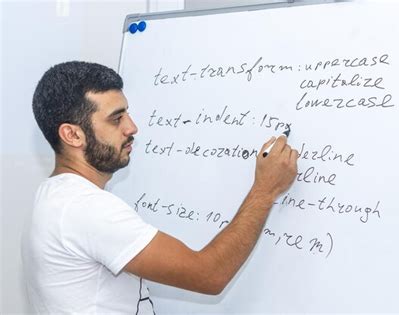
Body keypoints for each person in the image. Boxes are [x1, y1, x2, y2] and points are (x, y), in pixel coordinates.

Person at [22, 61, 298, 314]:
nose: (132, 127)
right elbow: (210, 275)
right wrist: (265, 190)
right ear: (72, 134)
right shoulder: (87, 209)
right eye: (116, 119)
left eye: (127, 113)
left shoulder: (53, 196)